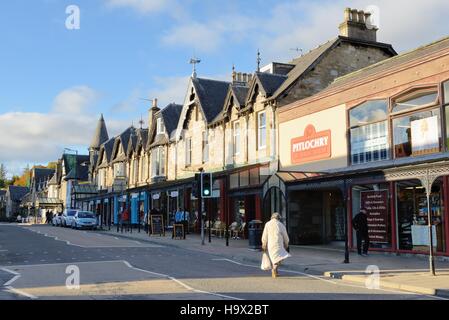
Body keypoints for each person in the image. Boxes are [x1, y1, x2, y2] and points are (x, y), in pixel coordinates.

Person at [261, 213, 291, 278]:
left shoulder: (267, 224)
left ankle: (275, 271)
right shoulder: (281, 225)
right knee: (280, 257)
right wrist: (286, 243)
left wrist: (264, 243)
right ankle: (274, 269)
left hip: (270, 244)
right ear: (278, 218)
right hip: (278, 244)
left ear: (272, 217)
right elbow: (285, 236)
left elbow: (265, 235)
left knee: (274, 258)